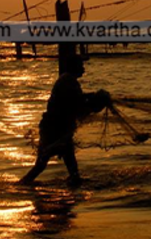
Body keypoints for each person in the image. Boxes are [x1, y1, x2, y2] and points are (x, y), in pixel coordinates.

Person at [20, 57, 111, 186]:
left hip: (58, 127)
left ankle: (73, 184)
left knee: (67, 161)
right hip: (54, 129)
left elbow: (78, 100)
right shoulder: (68, 81)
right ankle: (23, 185)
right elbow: (77, 106)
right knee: (43, 163)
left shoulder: (68, 80)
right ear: (73, 67)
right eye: (80, 66)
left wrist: (92, 97)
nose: (83, 69)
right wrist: (97, 102)